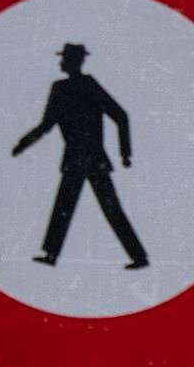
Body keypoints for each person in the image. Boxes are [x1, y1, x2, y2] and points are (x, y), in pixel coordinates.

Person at [12, 40, 148, 271]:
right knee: (86, 207)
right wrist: (125, 153)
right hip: (91, 159)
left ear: (72, 61)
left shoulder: (65, 88)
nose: (62, 62)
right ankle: (53, 255)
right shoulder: (80, 86)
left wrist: (23, 144)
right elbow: (120, 116)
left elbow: (47, 125)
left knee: (78, 207)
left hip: (80, 159)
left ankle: (52, 255)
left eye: (65, 58)